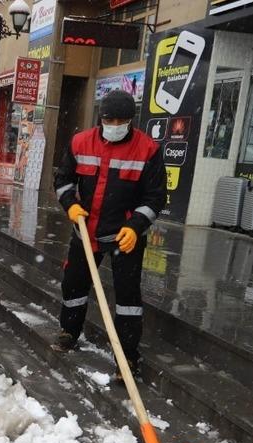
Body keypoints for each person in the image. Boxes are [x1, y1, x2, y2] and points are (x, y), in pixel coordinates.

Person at [51, 89, 165, 382]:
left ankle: (127, 356)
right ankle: (69, 331)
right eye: (109, 120)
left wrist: (136, 225)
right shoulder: (80, 142)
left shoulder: (148, 150)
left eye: (121, 121)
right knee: (74, 285)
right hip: (85, 231)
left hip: (124, 236)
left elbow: (155, 197)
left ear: (131, 120)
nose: (115, 125)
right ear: (100, 118)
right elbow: (63, 180)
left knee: (127, 297)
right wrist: (70, 205)